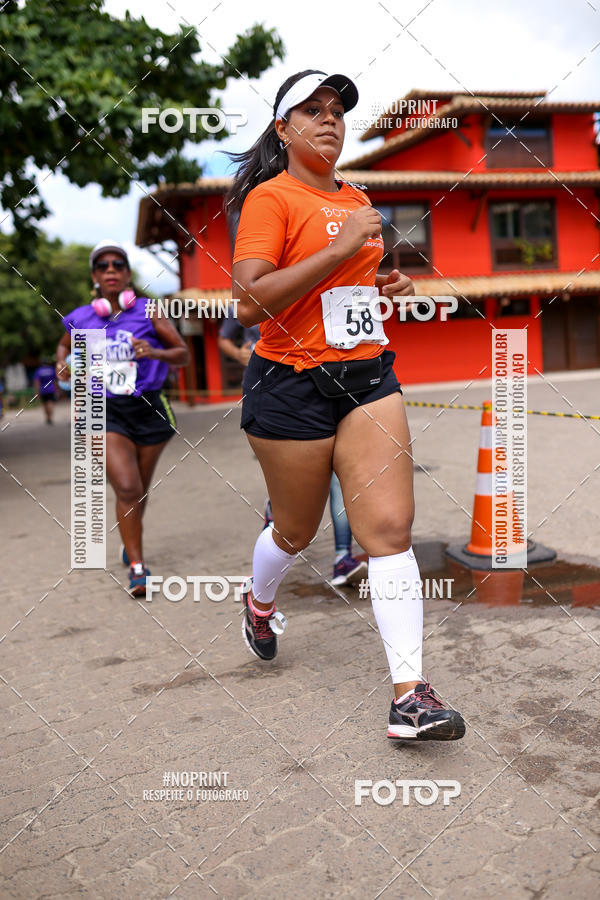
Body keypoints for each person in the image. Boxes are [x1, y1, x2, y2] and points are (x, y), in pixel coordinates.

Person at [227, 70, 465, 742]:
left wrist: (384, 282)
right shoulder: (271, 199)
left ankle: (409, 698)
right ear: (284, 129)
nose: (330, 119)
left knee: (388, 531)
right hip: (289, 385)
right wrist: (338, 250)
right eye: (313, 109)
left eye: (337, 109)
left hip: (367, 377)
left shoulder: (358, 197)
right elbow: (249, 303)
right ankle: (259, 601)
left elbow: (345, 287)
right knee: (295, 530)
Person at [56, 240, 189, 596]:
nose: (111, 270)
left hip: (149, 409)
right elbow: (64, 346)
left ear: (128, 274)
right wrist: (62, 365)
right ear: (95, 276)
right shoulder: (80, 317)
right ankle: (137, 567)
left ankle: (130, 542)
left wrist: (155, 351)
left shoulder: (149, 310)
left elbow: (182, 354)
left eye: (118, 264)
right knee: (128, 487)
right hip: (102, 410)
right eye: (103, 266)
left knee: (138, 490)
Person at [219, 309, 367, 586]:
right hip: (276, 394)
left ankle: (342, 557)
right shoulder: (248, 298)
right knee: (291, 484)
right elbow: (225, 337)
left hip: (333, 385)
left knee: (339, 477)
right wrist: (239, 354)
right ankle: (275, 516)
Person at [32, 359, 58, 424]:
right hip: (51, 389)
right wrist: (57, 389)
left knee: (44, 404)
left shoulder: (39, 371)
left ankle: (48, 417)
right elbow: (55, 380)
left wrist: (36, 391)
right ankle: (50, 417)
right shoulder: (51, 369)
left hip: (43, 390)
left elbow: (36, 382)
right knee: (50, 402)